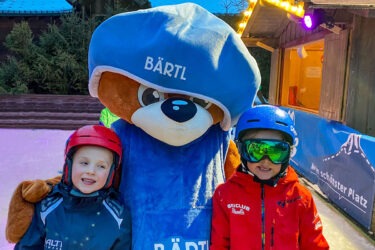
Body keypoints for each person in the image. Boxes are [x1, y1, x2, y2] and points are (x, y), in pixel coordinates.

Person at [210, 105, 329, 250]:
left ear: (288, 153)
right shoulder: (225, 195)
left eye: (276, 152)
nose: (265, 161)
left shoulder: (300, 198)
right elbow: (219, 244)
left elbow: (315, 245)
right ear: (241, 150)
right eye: (256, 150)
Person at [14, 125, 131, 249]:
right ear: (69, 165)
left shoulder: (120, 218)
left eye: (101, 166)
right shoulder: (46, 208)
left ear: (111, 172)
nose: (91, 171)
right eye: (84, 163)